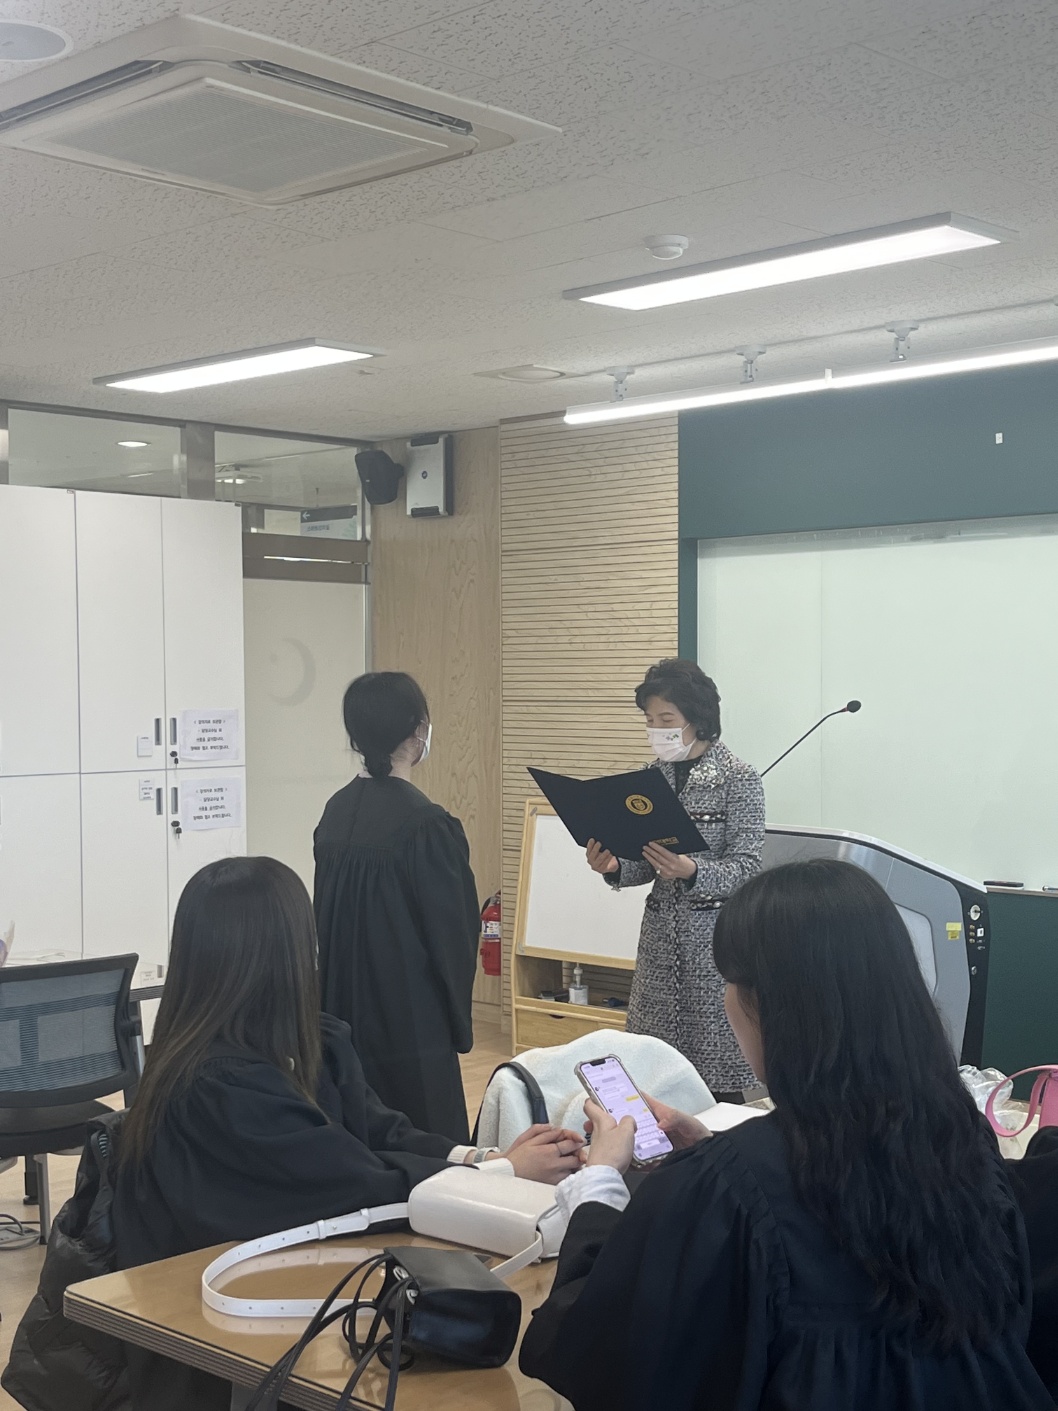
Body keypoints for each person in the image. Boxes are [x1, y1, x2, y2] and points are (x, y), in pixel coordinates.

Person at [520, 860, 1054, 1411]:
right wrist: (712, 1153)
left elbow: (599, 1357)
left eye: (729, 983)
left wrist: (599, 1183)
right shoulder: (964, 1143)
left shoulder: (723, 1193)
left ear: (769, 1004)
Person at [111, 857, 582, 1411]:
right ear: (283, 955)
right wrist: (502, 1175)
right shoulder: (213, 1088)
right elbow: (359, 1184)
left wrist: (480, 1157)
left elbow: (379, 1130)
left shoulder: (306, 1041)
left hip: (296, 1294)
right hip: (218, 1345)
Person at [586, 658, 764, 1098]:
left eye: (666, 720)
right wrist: (615, 867)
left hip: (716, 942)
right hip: (660, 940)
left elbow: (747, 868)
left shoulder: (739, 778)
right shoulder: (650, 778)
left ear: (697, 719)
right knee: (652, 1073)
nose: (656, 730)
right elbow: (646, 861)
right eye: (650, 721)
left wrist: (693, 870)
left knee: (714, 1078)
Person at [314, 671, 479, 1140]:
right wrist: (455, 1024)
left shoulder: (334, 811)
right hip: (409, 1024)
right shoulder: (426, 824)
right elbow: (453, 936)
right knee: (422, 1143)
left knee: (352, 1134)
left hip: (338, 1015)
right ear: (418, 730)